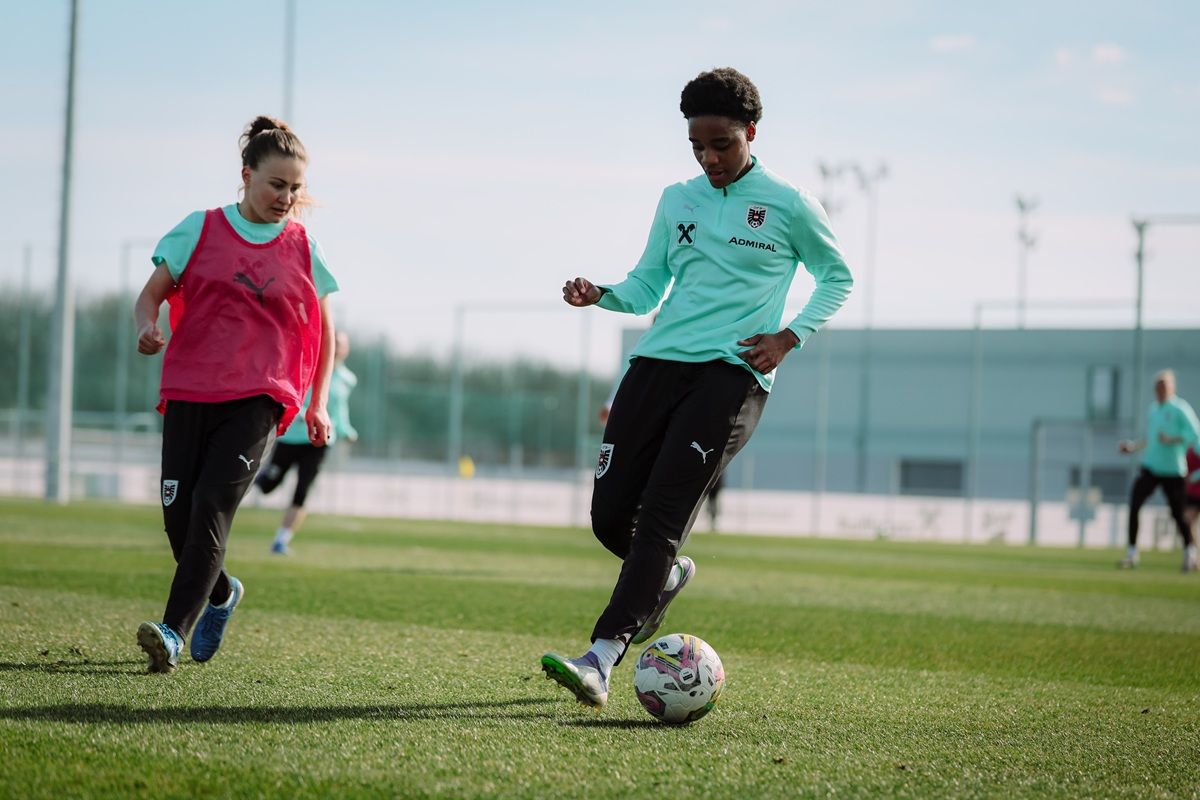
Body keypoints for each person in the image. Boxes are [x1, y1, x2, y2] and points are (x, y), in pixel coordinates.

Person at [541, 68, 852, 709]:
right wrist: (602, 294)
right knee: (608, 516)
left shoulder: (790, 203)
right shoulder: (675, 199)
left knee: (660, 513)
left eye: (722, 146)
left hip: (730, 375)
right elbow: (648, 287)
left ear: (751, 134)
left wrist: (789, 337)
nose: (709, 159)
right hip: (655, 366)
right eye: (698, 148)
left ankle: (600, 658)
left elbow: (836, 277)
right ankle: (667, 575)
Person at [133, 116, 338, 673]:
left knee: (211, 505)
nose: (286, 198)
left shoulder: (302, 247)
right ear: (246, 176)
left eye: (295, 189)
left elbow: (324, 332)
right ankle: (220, 593)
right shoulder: (197, 230)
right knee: (178, 518)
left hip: (260, 396)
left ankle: (173, 632)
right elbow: (149, 297)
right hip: (189, 390)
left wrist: (316, 403)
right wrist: (146, 327)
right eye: (277, 184)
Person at [256, 330, 359, 555]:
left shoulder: (347, 379)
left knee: (303, 490)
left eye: (342, 344)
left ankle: (281, 541)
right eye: (336, 342)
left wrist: (346, 430)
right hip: (293, 437)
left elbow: (339, 410)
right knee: (267, 486)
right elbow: (293, 394)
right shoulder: (308, 366)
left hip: (319, 442)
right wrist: (302, 413)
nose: (338, 347)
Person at [1117, 369, 1200, 572]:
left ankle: (1190, 553)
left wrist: (1172, 439)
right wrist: (1133, 447)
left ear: (1172, 387)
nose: (1160, 390)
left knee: (1178, 513)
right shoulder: (1153, 410)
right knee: (1135, 501)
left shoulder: (1180, 409)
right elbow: (1152, 439)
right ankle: (1132, 552)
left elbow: (1195, 435)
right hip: (1152, 466)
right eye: (1158, 386)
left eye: (1164, 386)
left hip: (1173, 469)